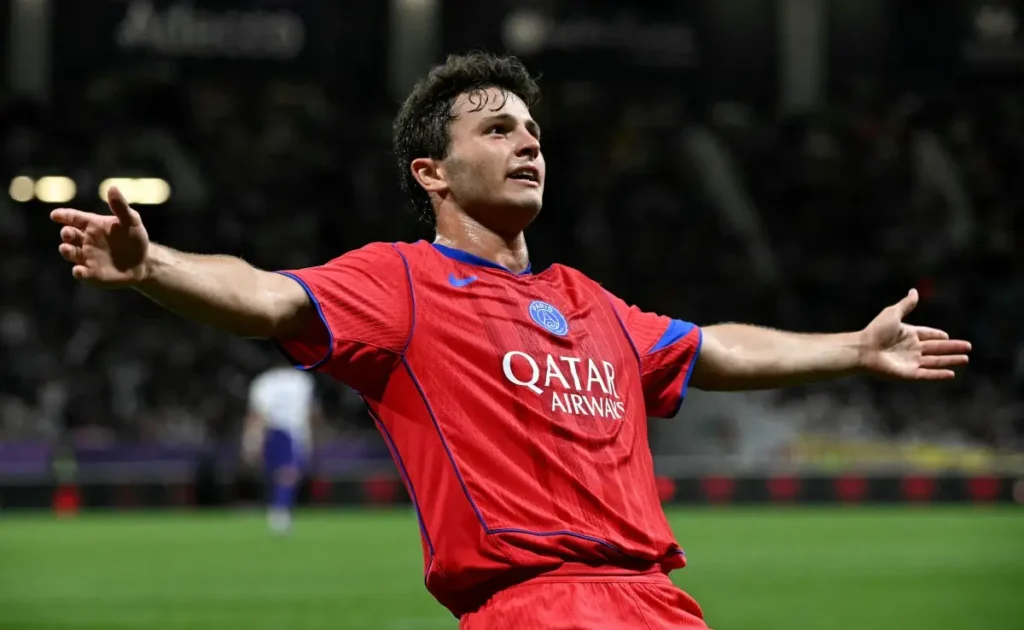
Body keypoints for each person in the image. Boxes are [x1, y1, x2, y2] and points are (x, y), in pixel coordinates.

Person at [51, 53, 971, 628]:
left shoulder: (587, 301)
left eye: (533, 131)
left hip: (660, 604)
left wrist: (851, 348)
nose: (529, 144)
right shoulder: (402, 283)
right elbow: (266, 294)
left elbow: (711, 349)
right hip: (538, 607)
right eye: (498, 130)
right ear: (433, 173)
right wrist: (154, 265)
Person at [242, 365, 318, 535]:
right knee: (289, 475)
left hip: (272, 431)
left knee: (278, 475)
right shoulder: (302, 380)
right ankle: (280, 511)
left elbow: (256, 415)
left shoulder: (263, 381)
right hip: (293, 432)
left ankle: (279, 510)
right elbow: (310, 412)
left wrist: (250, 442)